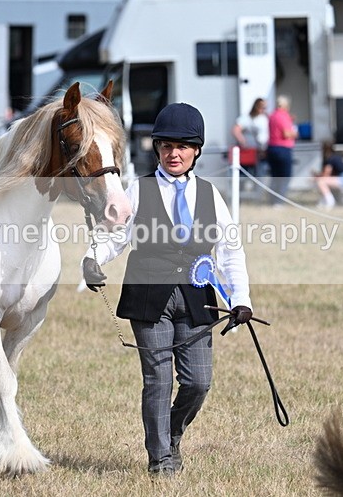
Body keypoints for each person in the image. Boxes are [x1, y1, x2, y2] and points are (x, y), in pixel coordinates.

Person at [81, 102, 254, 477]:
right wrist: (92, 259)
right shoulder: (138, 190)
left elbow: (230, 251)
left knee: (198, 382)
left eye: (183, 146)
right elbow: (115, 237)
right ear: (157, 148)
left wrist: (241, 299)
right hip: (149, 298)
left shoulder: (210, 194)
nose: (174, 153)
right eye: (167, 146)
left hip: (197, 300)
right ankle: (160, 459)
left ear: (196, 151)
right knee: (157, 380)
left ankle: (172, 434)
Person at [266, 95, 298, 206]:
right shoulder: (284, 116)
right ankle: (279, 201)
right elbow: (286, 134)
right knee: (285, 177)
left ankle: (272, 200)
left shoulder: (272, 116)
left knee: (275, 176)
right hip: (283, 149)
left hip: (271, 148)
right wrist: (295, 133)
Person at [231, 97, 269, 177]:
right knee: (247, 175)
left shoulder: (264, 118)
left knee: (260, 174)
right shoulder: (247, 118)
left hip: (262, 151)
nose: (264, 110)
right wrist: (243, 142)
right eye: (262, 107)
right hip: (251, 151)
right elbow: (236, 130)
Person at [314, 141, 343, 209]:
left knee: (321, 182)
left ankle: (330, 202)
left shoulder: (330, 158)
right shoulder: (337, 157)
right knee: (324, 183)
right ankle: (323, 201)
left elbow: (326, 174)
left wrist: (317, 177)